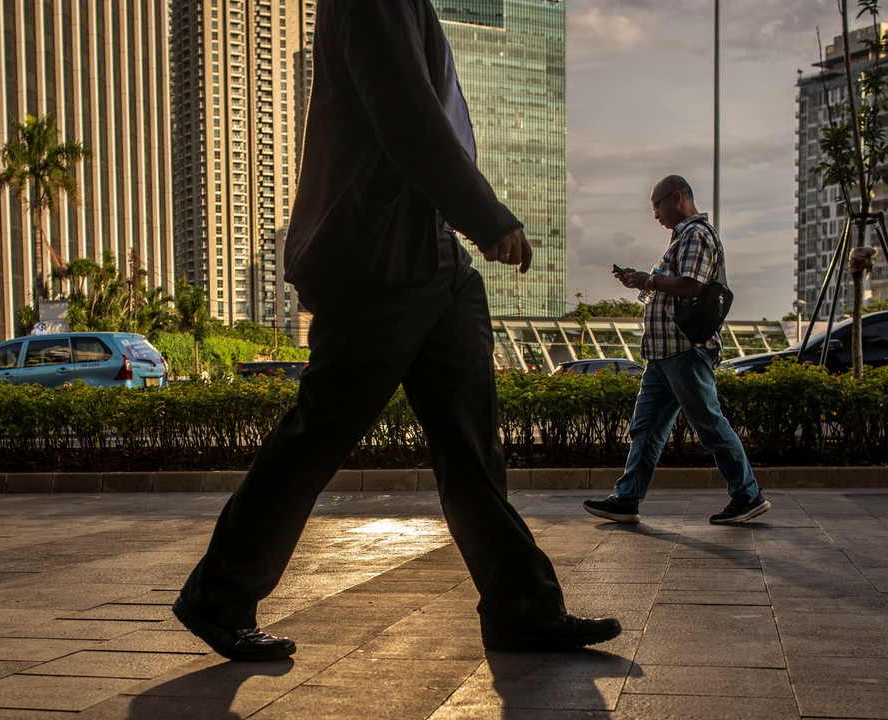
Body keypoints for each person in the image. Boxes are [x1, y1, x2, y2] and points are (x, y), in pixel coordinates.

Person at [172, 0, 620, 661]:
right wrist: (488, 216)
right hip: (379, 258)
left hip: (433, 255)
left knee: (470, 444)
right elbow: (406, 114)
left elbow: (428, 112)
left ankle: (521, 607)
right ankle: (218, 596)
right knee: (320, 432)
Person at [584, 175, 770, 525]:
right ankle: (627, 499)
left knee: (709, 424)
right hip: (663, 353)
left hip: (685, 350)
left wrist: (648, 280)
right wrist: (640, 281)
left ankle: (748, 495)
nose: (655, 213)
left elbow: (694, 286)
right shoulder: (682, 238)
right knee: (646, 427)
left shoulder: (697, 235)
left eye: (657, 205)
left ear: (678, 198)